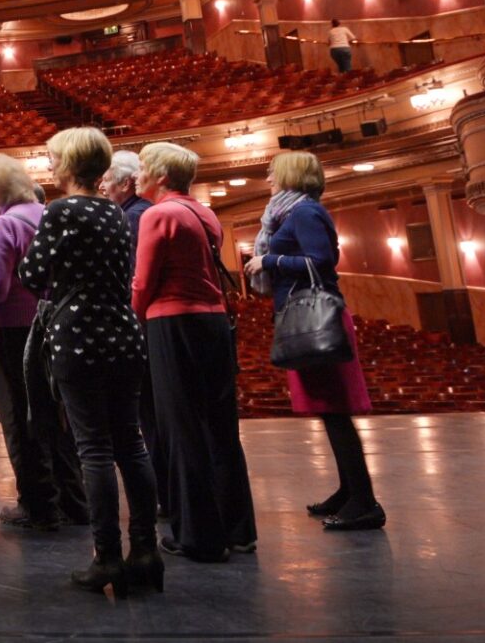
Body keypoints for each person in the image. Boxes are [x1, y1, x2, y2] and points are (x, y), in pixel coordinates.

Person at [16, 127, 160, 595]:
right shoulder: (115, 213)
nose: (50, 165)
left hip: (79, 336)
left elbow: (32, 275)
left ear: (71, 163)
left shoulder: (60, 211)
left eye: (53, 158)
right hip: (123, 334)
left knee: (93, 450)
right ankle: (146, 552)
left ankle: (107, 558)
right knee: (131, 446)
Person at [131, 141, 257, 563]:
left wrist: (132, 317)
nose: (138, 175)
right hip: (214, 322)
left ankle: (198, 536)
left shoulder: (158, 214)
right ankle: (238, 528)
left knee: (181, 428)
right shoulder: (206, 214)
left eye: (145, 168)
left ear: (163, 176)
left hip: (173, 322)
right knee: (221, 427)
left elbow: (143, 283)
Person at [245, 151, 385, 532]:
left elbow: (321, 261)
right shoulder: (289, 213)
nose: (268, 176)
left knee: (336, 413)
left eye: (273, 172)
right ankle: (348, 490)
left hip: (317, 319)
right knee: (330, 411)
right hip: (305, 317)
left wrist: (269, 261)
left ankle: (365, 502)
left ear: (292, 175)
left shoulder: (304, 213)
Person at [0, 153, 79, 533]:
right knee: (58, 414)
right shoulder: (49, 214)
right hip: (55, 325)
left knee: (20, 416)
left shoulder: (5, 224)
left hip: (15, 331)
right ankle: (74, 501)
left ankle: (37, 505)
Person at [103, 148, 164, 514]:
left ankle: (161, 495)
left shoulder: (133, 218)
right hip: (145, 322)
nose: (103, 185)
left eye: (108, 179)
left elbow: (133, 279)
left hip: (141, 324)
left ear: (127, 182)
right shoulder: (135, 214)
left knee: (149, 416)